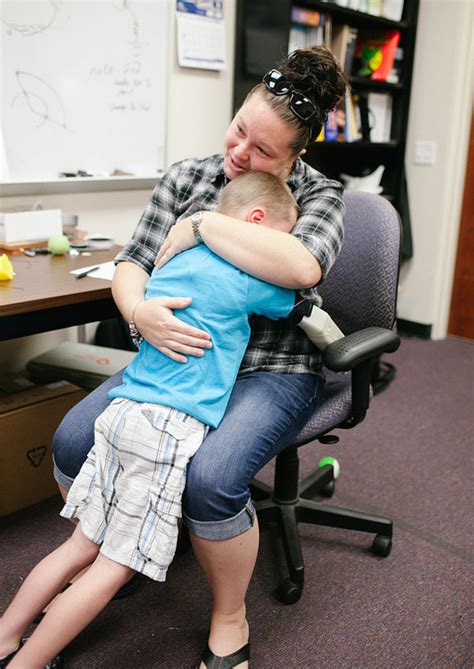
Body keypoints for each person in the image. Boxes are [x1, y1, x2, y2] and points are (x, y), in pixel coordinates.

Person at [51, 45, 348, 668]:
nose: (239, 154)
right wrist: (138, 312)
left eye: (262, 150)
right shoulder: (189, 176)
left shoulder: (321, 198)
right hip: (177, 357)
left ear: (297, 156)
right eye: (239, 129)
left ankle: (230, 617)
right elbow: (132, 262)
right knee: (73, 441)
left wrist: (203, 227)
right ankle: (119, 545)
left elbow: (301, 266)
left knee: (212, 479)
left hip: (272, 367)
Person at [0, 173, 299, 669]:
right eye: (278, 236)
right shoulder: (248, 276)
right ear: (256, 223)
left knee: (79, 547)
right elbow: (297, 287)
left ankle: (7, 633)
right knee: (112, 568)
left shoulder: (174, 261)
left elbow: (132, 280)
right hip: (166, 429)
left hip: (121, 411)